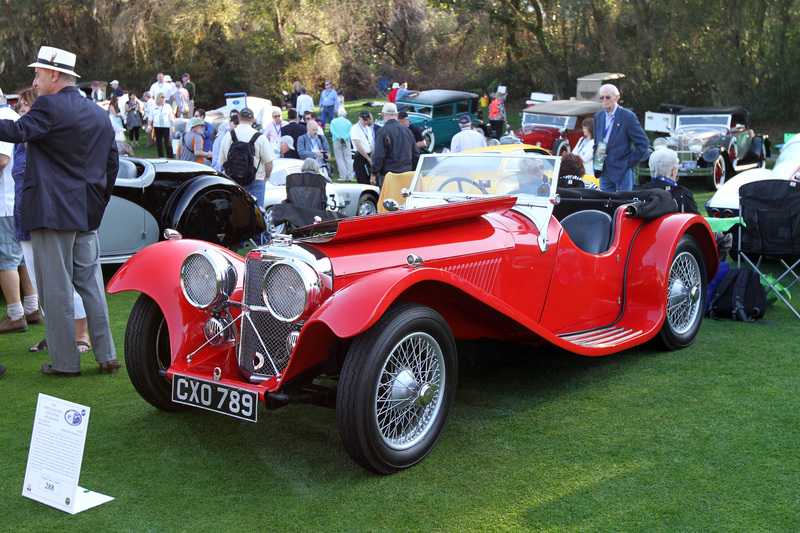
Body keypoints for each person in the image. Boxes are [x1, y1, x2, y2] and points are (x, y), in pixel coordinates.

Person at [0, 45, 122, 376]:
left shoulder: (49, 105)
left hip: (52, 215)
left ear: (54, 74)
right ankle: (107, 355)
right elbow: (113, 163)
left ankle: (66, 363)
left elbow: (16, 131)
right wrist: (99, 203)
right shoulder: (99, 113)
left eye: (38, 74)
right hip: (86, 215)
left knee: (55, 291)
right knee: (92, 287)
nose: (35, 81)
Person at [12, 87, 92, 353]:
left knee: (64, 281)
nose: (21, 111)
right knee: (40, 284)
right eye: (20, 107)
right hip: (24, 220)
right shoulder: (19, 145)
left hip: (48, 219)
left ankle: (82, 334)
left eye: (26, 107)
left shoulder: (46, 141)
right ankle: (55, 335)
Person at [641, 148, 732, 259]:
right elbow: (698, 224)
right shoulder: (682, 193)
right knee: (725, 237)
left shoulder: (639, 193)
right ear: (673, 171)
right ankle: (714, 273)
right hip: (677, 247)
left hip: (647, 244)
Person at [0, 88, 40, 334]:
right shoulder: (15, 118)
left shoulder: (4, 119)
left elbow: (2, 159)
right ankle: (31, 307)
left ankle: (15, 314)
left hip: (6, 201)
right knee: (21, 258)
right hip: (16, 199)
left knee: (6, 261)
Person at [592, 84, 648, 192]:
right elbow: (596, 143)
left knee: (623, 203)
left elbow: (643, 143)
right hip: (603, 168)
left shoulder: (628, 116)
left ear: (617, 97)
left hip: (622, 170)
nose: (604, 100)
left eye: (607, 97)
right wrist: (596, 160)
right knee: (605, 204)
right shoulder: (598, 117)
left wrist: (629, 163)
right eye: (601, 97)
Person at [219, 107, 274, 208]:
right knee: (256, 213)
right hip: (256, 181)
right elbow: (269, 162)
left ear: (239, 118)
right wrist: (267, 175)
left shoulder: (228, 136)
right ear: (253, 120)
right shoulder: (260, 137)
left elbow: (222, 162)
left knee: (237, 214)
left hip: (234, 181)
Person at [370, 103, 419, 187]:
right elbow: (415, 155)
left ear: (383, 114)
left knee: (389, 199)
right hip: (406, 173)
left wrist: (374, 173)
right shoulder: (407, 131)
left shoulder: (382, 132)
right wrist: (413, 171)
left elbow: (378, 155)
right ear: (396, 115)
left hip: (389, 175)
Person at [350, 110, 374, 185]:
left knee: (370, 180)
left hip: (369, 155)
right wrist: (368, 158)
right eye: (364, 120)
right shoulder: (355, 128)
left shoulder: (368, 129)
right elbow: (358, 145)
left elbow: (371, 143)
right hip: (360, 157)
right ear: (359, 118)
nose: (366, 122)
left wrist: (373, 155)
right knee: (363, 180)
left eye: (367, 120)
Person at [330, 108, 354, 181]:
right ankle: (350, 176)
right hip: (346, 141)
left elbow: (332, 131)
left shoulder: (333, 121)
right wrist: (344, 138)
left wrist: (338, 138)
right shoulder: (348, 122)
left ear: (338, 114)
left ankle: (343, 176)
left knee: (339, 158)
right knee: (348, 158)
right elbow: (350, 132)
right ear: (345, 115)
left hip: (337, 141)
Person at [149, 92, 174, 158]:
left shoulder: (167, 106)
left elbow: (171, 117)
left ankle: (170, 156)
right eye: (162, 97)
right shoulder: (153, 107)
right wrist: (149, 126)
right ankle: (160, 156)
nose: (163, 99)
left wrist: (172, 127)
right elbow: (150, 117)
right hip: (157, 126)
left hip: (165, 126)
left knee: (167, 142)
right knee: (158, 142)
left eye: (164, 97)